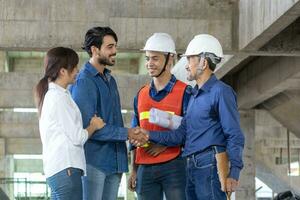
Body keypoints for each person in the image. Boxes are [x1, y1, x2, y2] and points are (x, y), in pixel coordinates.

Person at [134, 34, 245, 200]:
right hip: (191, 165)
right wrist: (148, 134)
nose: (186, 66)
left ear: (204, 62)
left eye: (190, 60)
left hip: (211, 164)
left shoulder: (221, 92)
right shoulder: (194, 97)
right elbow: (180, 135)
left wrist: (234, 171)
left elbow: (234, 134)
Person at [69, 26, 147, 200]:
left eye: (115, 46)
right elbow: (88, 127)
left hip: (115, 162)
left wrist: (129, 135)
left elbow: (113, 122)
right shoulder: (84, 82)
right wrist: (127, 133)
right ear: (95, 50)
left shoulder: (110, 80)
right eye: (110, 47)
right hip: (94, 162)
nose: (115, 51)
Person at [35, 47, 105, 200]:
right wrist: (94, 125)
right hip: (66, 168)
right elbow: (77, 137)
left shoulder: (55, 95)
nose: (77, 71)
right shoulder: (59, 98)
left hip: (60, 170)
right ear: (62, 71)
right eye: (74, 67)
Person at [128, 33, 191, 200]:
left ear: (170, 59)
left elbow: (189, 132)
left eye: (155, 58)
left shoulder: (185, 92)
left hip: (174, 165)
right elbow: (135, 134)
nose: (149, 63)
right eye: (148, 58)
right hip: (144, 168)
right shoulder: (141, 94)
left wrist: (163, 145)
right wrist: (134, 170)